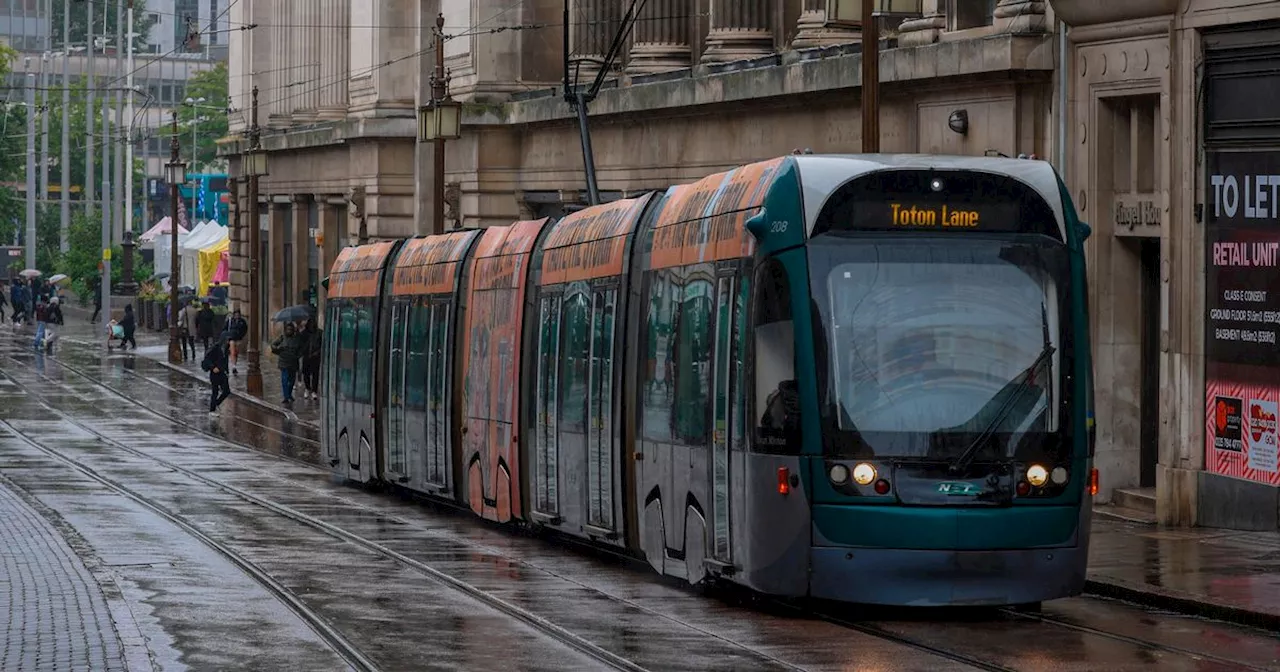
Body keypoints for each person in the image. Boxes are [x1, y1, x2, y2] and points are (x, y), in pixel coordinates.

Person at [270, 322, 302, 404]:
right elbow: (273, 345)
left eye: (291, 330)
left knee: (291, 380)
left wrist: (297, 355)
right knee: (285, 379)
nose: (289, 331)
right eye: (288, 329)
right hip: (284, 361)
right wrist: (278, 349)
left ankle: (289, 394)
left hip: (293, 362)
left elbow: (301, 349)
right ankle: (286, 396)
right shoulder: (282, 338)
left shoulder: (297, 338)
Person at [202, 337, 232, 415]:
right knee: (215, 391)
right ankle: (212, 410)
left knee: (226, 391)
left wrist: (226, 370)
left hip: (222, 372)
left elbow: (225, 361)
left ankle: (216, 403)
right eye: (228, 340)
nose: (229, 342)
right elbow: (207, 359)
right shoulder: (215, 348)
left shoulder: (226, 349)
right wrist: (213, 367)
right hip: (215, 373)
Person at [222, 306, 249, 375]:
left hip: (238, 339)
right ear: (234, 315)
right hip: (231, 339)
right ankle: (233, 367)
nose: (237, 316)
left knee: (236, 353)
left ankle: (234, 365)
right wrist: (227, 337)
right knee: (232, 352)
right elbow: (224, 328)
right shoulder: (230, 320)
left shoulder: (242, 321)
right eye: (236, 314)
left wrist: (241, 336)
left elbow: (245, 329)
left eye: (238, 314)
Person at [300, 317, 322, 400]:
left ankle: (314, 391)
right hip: (306, 356)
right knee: (306, 374)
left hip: (315, 357)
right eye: (310, 324)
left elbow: (322, 345)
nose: (311, 326)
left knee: (315, 374)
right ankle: (307, 388)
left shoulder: (319, 333)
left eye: (313, 324)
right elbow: (300, 344)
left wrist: (317, 352)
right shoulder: (304, 333)